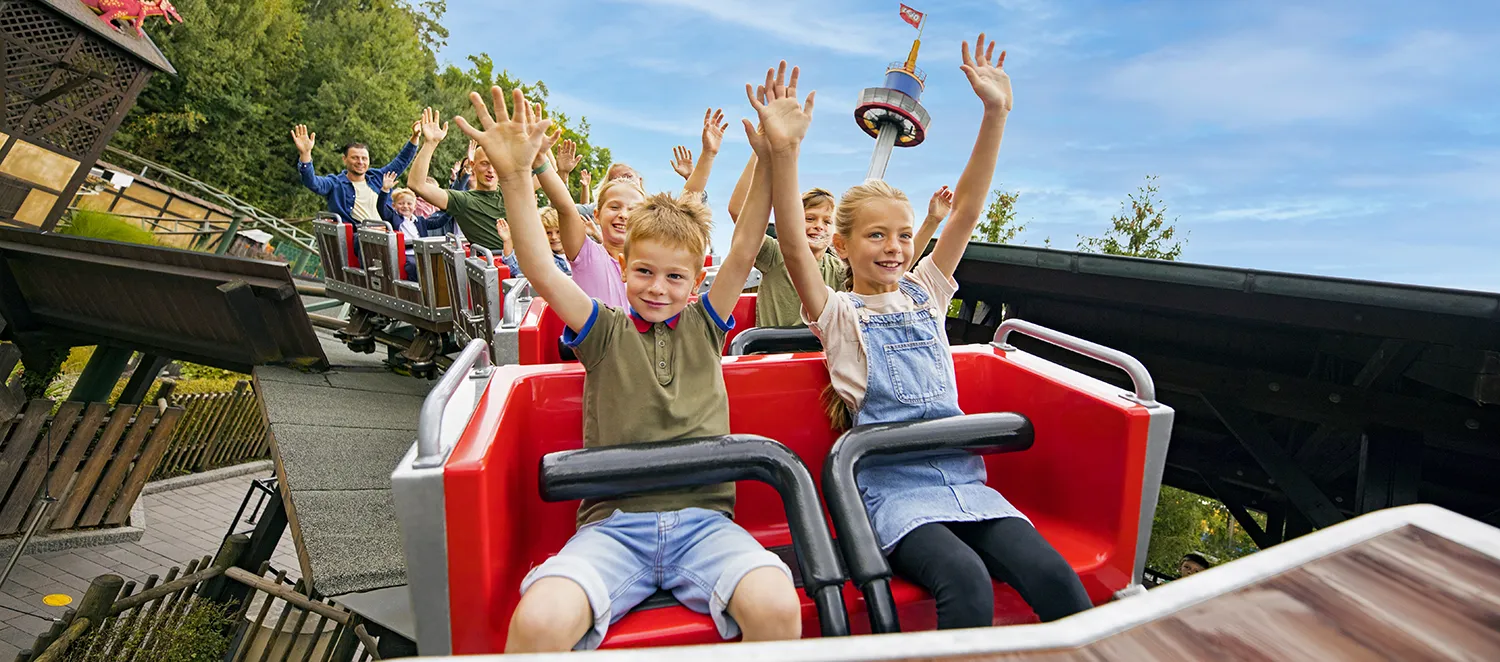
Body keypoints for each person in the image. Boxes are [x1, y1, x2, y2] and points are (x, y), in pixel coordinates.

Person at [453, 81, 800, 653]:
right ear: (624, 265)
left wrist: (774, 156)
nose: (657, 288)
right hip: (615, 526)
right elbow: (542, 269)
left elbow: (743, 247)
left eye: (674, 277)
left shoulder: (706, 327)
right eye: (644, 272)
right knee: (539, 622)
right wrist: (517, 177)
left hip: (704, 525)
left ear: (695, 283)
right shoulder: (604, 330)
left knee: (777, 606)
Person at [768, 38, 1091, 630]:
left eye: (902, 235)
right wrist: (784, 154)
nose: (894, 247)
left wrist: (995, 115)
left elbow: (965, 211)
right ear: (842, 246)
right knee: (965, 582)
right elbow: (792, 245)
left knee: (1052, 575)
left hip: (966, 479)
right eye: (876, 236)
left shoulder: (926, 293)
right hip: (895, 495)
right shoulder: (839, 315)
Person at [406, 107, 508, 252]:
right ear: (472, 165)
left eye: (495, 164)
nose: (490, 170)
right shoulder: (463, 200)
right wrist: (430, 144)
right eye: (485, 164)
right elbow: (417, 184)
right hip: (496, 266)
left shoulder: (511, 192)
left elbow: (546, 172)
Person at [292, 121, 419, 224]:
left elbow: (402, 160)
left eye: (364, 158)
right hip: (360, 238)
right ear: (344, 159)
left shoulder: (378, 177)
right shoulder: (335, 184)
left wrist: (414, 137)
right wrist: (305, 154)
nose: (360, 162)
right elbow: (312, 182)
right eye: (355, 158)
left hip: (389, 233)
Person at [497, 207, 571, 277]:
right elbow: (514, 269)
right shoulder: (541, 259)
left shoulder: (578, 254)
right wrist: (507, 241)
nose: (554, 237)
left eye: (558, 232)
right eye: (548, 233)